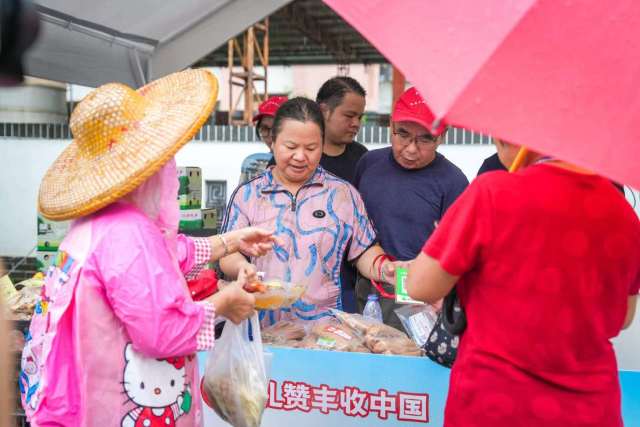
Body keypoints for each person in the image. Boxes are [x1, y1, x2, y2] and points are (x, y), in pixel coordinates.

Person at [20, 69, 277, 426]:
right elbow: (162, 333)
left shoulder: (94, 225)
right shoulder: (129, 232)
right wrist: (224, 304)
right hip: (119, 408)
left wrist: (230, 241)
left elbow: (161, 259)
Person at [406, 140, 640, 427]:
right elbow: (624, 317)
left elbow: (420, 285)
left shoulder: (492, 192)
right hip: (589, 407)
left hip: (494, 404)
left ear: (512, 137)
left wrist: (447, 238)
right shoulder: (623, 214)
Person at [220, 97, 400, 324]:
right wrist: (242, 267)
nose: (300, 156)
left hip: (324, 330)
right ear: (273, 142)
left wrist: (386, 269)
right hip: (258, 326)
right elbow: (227, 252)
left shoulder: (342, 194)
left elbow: (363, 251)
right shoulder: (248, 195)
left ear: (322, 145)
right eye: (291, 147)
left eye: (311, 148)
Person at [354, 87, 468, 329]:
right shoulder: (368, 164)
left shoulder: (453, 181)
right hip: (368, 289)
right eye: (403, 134)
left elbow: (456, 252)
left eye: (425, 138)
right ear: (390, 126)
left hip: (421, 297)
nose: (411, 148)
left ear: (442, 136)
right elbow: (354, 227)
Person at [316, 76, 368, 185]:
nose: (356, 124)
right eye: (349, 116)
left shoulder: (362, 158)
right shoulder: (298, 157)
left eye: (359, 118)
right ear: (323, 111)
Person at [239, 96, 288, 184]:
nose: (270, 135)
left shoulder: (300, 164)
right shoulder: (256, 164)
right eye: (265, 128)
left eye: (276, 128)